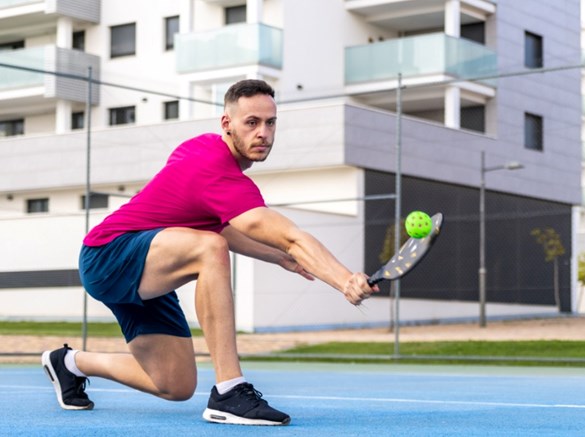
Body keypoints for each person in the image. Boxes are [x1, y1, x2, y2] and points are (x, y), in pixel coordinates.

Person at [41, 79, 378, 426]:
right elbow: (288, 237)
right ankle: (230, 391)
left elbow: (226, 227)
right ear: (227, 124)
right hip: (108, 255)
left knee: (174, 384)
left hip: (145, 265)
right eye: (252, 122)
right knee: (209, 247)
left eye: (270, 122)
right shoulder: (215, 170)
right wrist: (345, 280)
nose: (263, 132)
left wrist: (277, 257)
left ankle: (68, 363)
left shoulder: (201, 148)